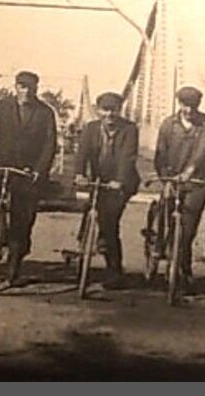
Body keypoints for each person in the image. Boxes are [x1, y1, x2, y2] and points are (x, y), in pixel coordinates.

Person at [0, 70, 57, 286]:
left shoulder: (45, 112)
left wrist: (40, 170)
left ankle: (14, 267)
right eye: (22, 86)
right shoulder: (2, 107)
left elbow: (49, 144)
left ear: (36, 89)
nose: (26, 91)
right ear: (16, 87)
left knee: (23, 218)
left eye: (30, 87)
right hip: (0, 166)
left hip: (27, 172)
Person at [152, 86, 205, 290]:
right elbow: (160, 153)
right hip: (172, 179)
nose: (189, 110)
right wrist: (165, 180)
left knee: (188, 229)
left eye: (193, 106)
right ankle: (161, 251)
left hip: (197, 182)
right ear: (179, 103)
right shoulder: (168, 124)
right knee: (168, 218)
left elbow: (204, 150)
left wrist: (190, 170)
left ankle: (183, 268)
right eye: (185, 105)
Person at [74, 92, 139, 289]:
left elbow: (127, 157)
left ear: (120, 110)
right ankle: (83, 247)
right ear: (98, 110)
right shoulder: (90, 128)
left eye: (114, 110)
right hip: (98, 180)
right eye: (105, 110)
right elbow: (82, 153)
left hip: (122, 183)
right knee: (91, 208)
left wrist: (120, 180)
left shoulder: (129, 129)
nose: (109, 114)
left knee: (110, 222)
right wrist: (79, 174)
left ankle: (115, 271)